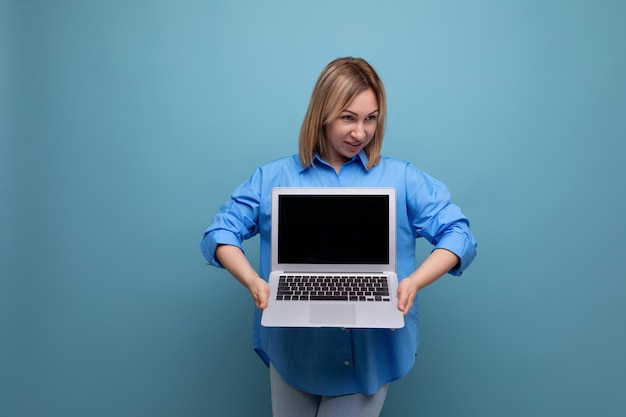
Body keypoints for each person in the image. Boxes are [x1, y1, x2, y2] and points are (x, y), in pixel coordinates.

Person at [200, 57, 477, 417]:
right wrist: (252, 279)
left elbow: (459, 234)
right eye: (348, 117)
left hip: (370, 360)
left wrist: (414, 282)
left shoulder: (402, 178)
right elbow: (220, 232)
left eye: (370, 118)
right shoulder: (273, 178)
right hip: (295, 356)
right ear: (322, 113)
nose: (360, 133)